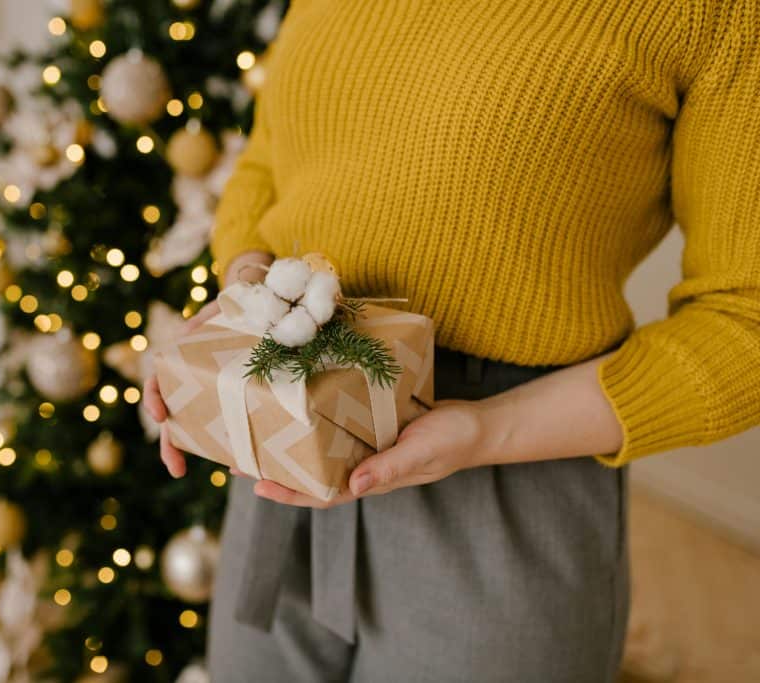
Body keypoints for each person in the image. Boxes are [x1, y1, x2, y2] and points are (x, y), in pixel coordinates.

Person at [144, 0, 760, 680]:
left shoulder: (712, 14)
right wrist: (243, 306)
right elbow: (270, 159)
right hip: (287, 442)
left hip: (506, 475)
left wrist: (486, 431)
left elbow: (746, 322)